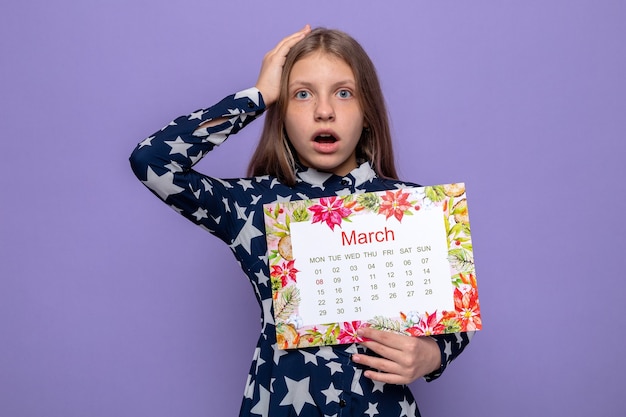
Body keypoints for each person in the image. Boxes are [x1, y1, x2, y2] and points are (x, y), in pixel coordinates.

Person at [130, 25, 472, 417]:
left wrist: (432, 355)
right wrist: (256, 97)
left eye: (344, 93)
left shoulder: (410, 207)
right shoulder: (252, 205)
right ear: (282, 113)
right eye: (302, 94)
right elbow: (152, 161)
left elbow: (455, 319)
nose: (324, 110)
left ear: (368, 113)